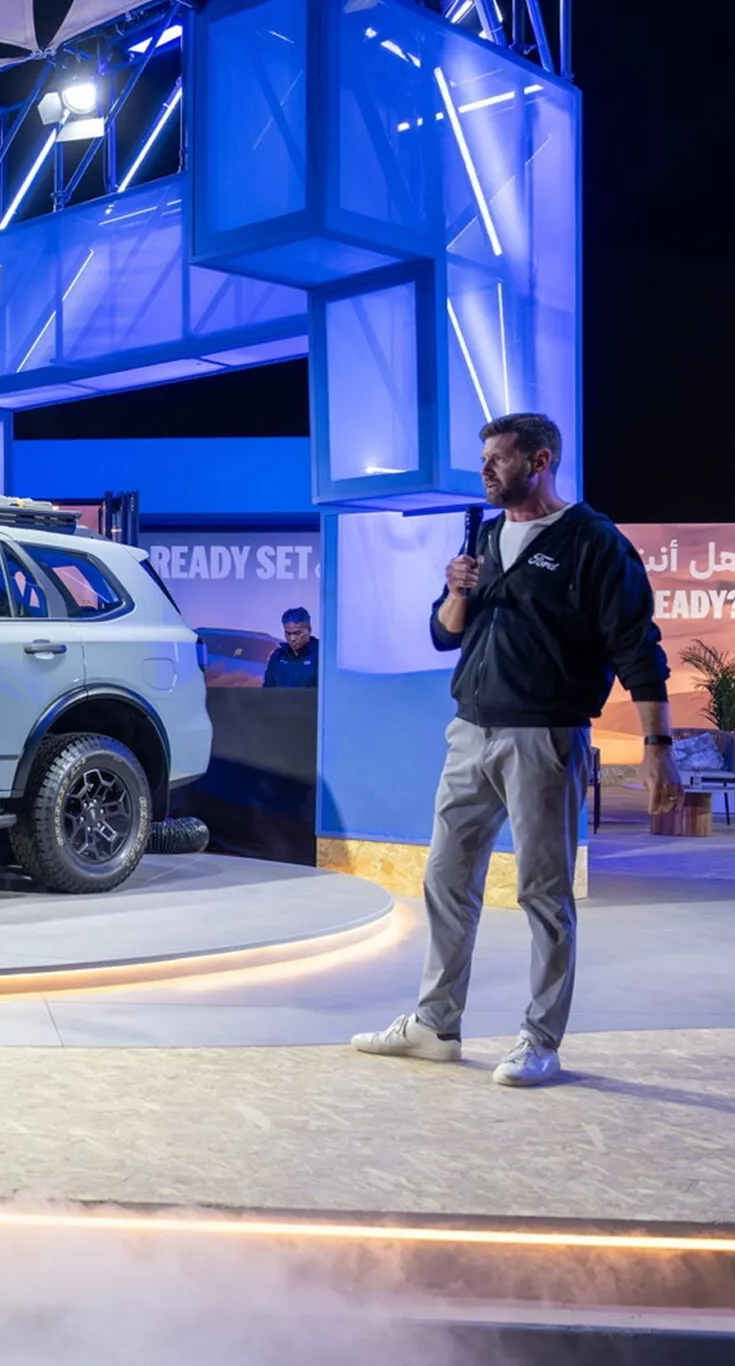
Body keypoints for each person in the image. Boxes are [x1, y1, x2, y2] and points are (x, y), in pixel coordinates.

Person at [353, 414, 680, 1087]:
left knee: (543, 892)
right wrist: (456, 592)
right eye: (484, 459)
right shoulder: (485, 536)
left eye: (498, 459)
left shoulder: (594, 541)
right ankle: (436, 1025)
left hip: (545, 737)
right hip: (469, 731)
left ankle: (540, 1039)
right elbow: (445, 634)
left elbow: (637, 649)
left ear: (540, 460)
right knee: (446, 879)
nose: (485, 471)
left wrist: (658, 746)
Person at [262, 607, 319, 688]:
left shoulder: (321, 655)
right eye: (288, 634)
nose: (292, 638)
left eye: (297, 633)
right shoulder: (278, 656)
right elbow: (267, 688)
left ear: (309, 630)